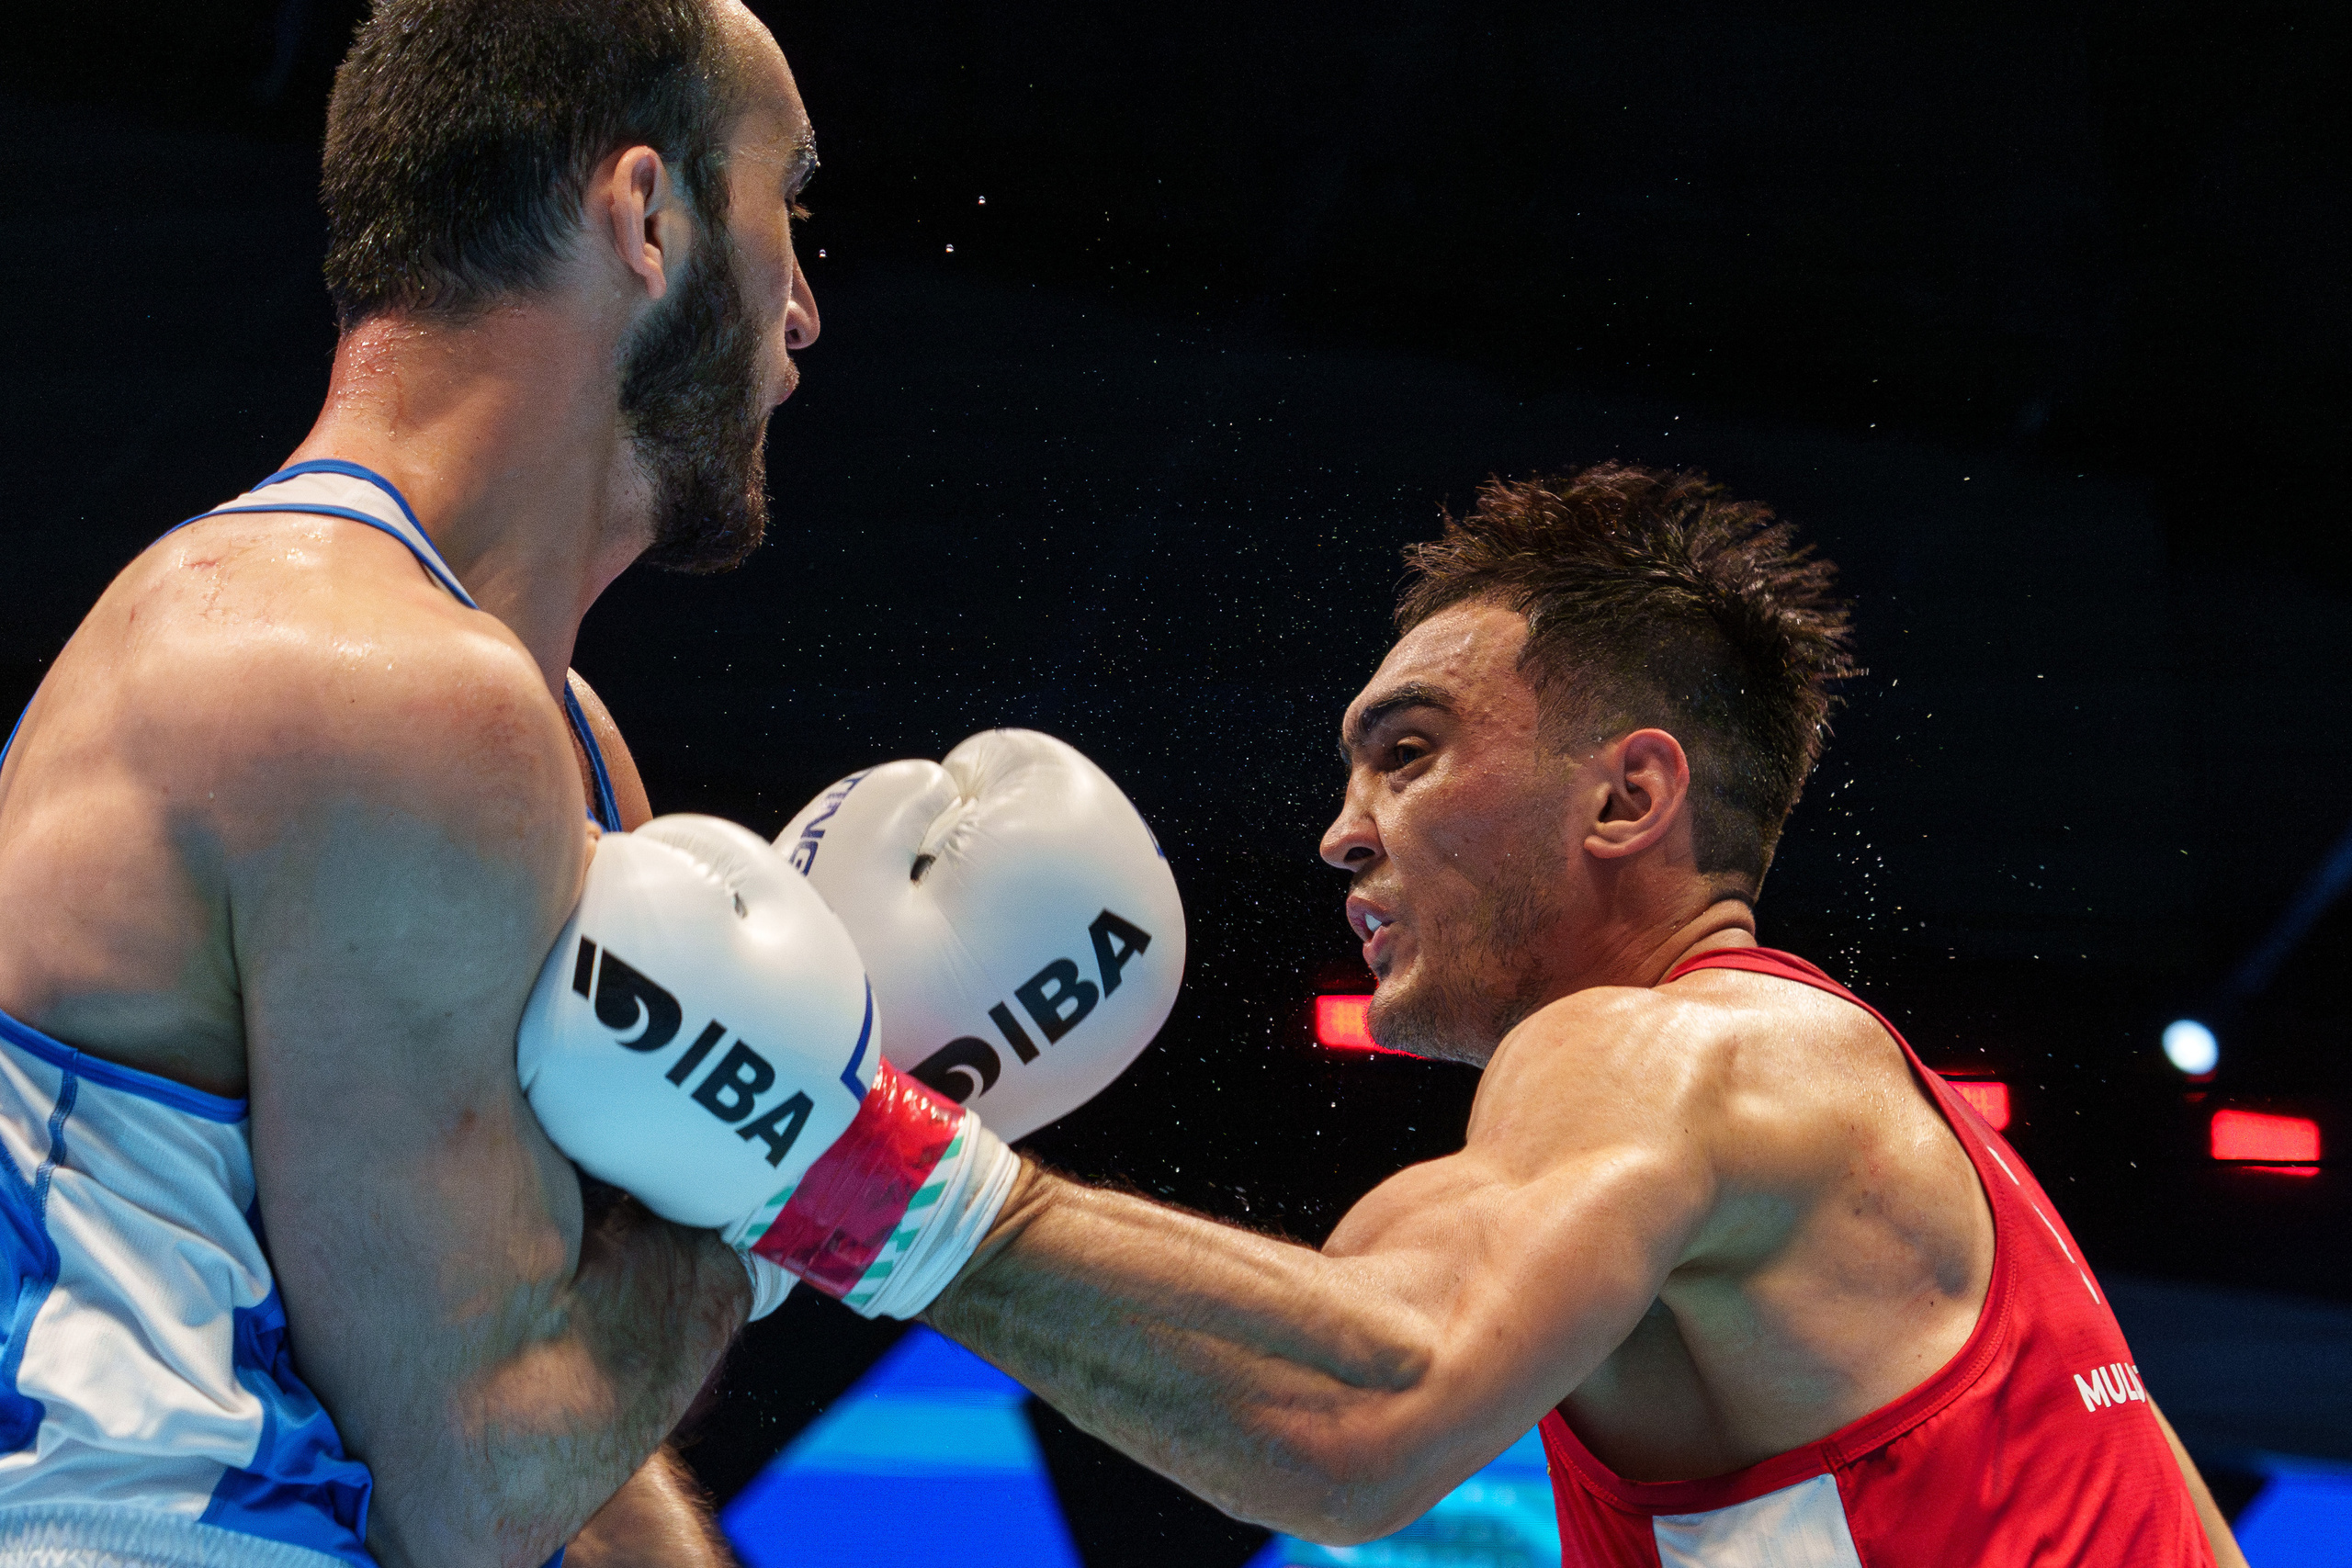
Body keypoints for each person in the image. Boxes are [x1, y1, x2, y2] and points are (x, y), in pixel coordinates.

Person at [911, 464, 2249, 1565]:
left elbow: (1353, 1417)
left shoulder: (1678, 1048)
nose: (1339, 834)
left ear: (1628, 799)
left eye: (1410, 754)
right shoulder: (1879, 1139)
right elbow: (1341, 1327)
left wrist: (845, 1160)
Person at [0, 1, 822, 1561]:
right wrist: (817, 1170)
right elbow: (474, 1494)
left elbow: (558, 1448)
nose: (806, 310)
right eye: (790, 200)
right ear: (646, 215)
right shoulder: (360, 682)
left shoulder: (551, 735)